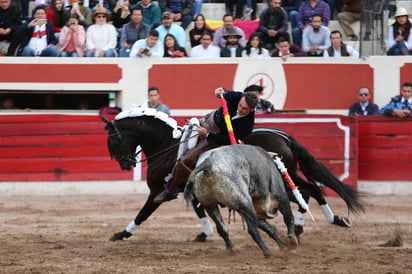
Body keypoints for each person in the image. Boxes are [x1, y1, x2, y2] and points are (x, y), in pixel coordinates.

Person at [153, 86, 259, 203]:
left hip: (215, 138)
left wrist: (207, 135)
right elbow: (224, 92)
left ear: (251, 109)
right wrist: (219, 92)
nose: (240, 109)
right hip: (208, 121)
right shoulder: (238, 97)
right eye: (240, 105)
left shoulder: (247, 125)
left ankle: (170, 190)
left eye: (244, 109)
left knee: (188, 158)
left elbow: (228, 140)